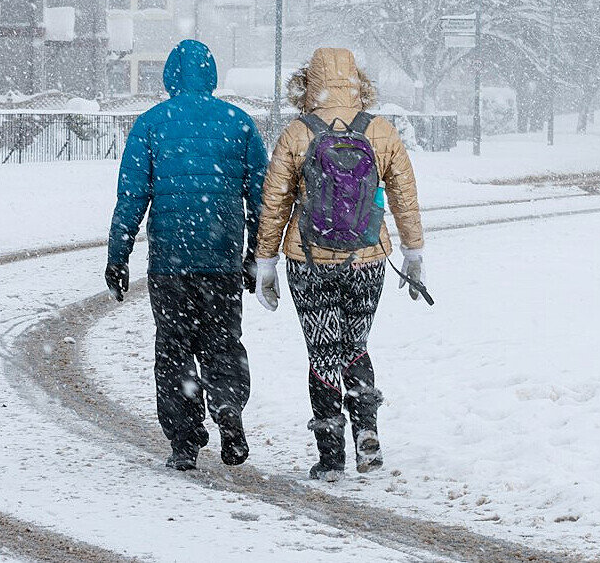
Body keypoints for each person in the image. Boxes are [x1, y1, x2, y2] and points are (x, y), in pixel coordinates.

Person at [252, 47, 426, 482]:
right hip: (368, 259)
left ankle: (331, 455)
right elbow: (405, 196)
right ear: (358, 81)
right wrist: (414, 252)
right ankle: (367, 433)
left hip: (308, 260)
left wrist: (266, 261)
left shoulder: (297, 133)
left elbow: (274, 203)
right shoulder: (380, 131)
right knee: (356, 346)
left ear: (308, 83)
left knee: (323, 353)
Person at [107, 39, 268, 471]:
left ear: (169, 77)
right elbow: (262, 197)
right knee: (222, 343)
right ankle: (228, 409)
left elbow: (132, 197)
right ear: (212, 74)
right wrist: (256, 254)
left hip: (170, 261)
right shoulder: (239, 123)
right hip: (221, 257)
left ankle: (183, 439)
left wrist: (117, 255)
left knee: (174, 348)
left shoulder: (151, 124)